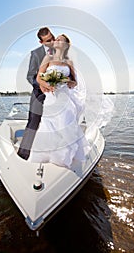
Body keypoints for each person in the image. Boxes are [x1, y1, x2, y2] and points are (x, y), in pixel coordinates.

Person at [27, 34, 91, 168]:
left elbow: (74, 83)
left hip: (65, 99)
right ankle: (46, 156)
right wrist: (47, 85)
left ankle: (63, 158)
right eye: (56, 39)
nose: (55, 40)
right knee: (49, 125)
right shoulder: (48, 58)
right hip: (51, 98)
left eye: (59, 39)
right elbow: (39, 78)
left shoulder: (69, 62)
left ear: (66, 45)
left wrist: (67, 80)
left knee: (65, 125)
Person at [17, 27, 55, 160]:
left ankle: (55, 155)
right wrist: (42, 85)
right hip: (39, 94)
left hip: (57, 94)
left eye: (53, 37)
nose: (52, 41)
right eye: (48, 40)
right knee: (33, 122)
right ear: (41, 42)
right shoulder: (35, 54)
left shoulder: (61, 52)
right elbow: (30, 76)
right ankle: (23, 155)